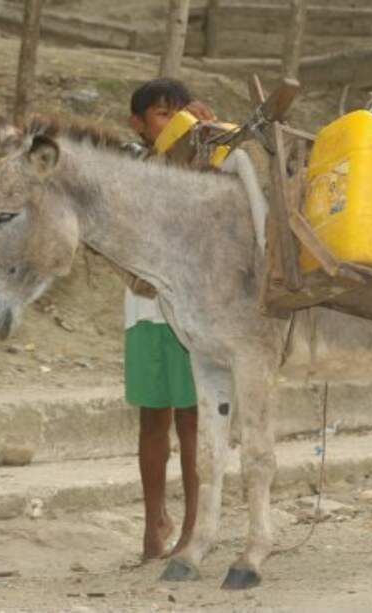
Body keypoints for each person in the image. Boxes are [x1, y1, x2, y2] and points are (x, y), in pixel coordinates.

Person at [124, 78, 214, 560]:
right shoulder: (132, 164)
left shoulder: (203, 161)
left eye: (180, 113)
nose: (174, 122)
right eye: (163, 114)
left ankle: (195, 524)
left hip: (192, 309)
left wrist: (208, 137)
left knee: (192, 418)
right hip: (145, 311)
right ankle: (154, 521)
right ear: (138, 124)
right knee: (153, 417)